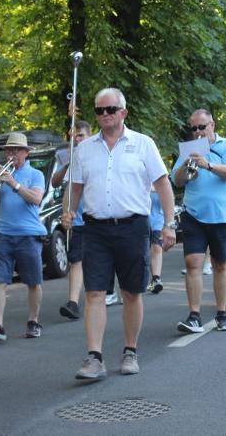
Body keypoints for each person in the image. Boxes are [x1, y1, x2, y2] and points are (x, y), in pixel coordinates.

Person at [67, 88, 176, 380]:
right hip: (95, 228)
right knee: (95, 292)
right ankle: (94, 357)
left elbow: (163, 185)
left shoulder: (143, 144)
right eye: (99, 110)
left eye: (110, 109)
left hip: (132, 227)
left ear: (123, 112)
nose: (104, 115)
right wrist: (69, 211)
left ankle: (130, 350)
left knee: (131, 292)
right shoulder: (85, 148)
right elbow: (75, 187)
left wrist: (168, 224)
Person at [172, 108, 226, 333]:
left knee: (220, 265)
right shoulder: (188, 149)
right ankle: (194, 316)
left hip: (221, 216)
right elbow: (177, 180)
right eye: (194, 128)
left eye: (202, 126)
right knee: (193, 263)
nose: (198, 131)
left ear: (213, 125)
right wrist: (186, 165)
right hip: (193, 214)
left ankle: (221, 313)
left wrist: (207, 164)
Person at [0, 132, 48, 342]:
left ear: (25, 153)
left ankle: (33, 321)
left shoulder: (35, 174)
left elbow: (36, 199)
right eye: (8, 150)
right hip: (4, 236)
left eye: (15, 150)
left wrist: (14, 183)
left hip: (29, 235)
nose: (11, 154)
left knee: (33, 282)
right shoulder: (1, 176)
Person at [52, 121, 92, 320]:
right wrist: (67, 164)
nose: (77, 139)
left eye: (81, 135)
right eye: (74, 136)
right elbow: (55, 182)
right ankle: (73, 302)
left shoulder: (95, 154)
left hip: (96, 217)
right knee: (76, 260)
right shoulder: (68, 156)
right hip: (77, 218)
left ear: (90, 136)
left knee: (97, 260)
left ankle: (105, 292)